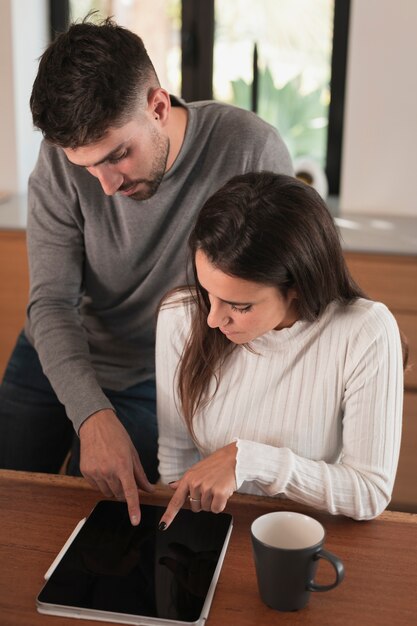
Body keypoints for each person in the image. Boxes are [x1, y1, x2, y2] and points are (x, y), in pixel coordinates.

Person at [0, 18, 293, 525]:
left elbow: (301, 267)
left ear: (158, 106)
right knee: (12, 509)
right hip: (55, 354)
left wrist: (359, 325)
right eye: (87, 166)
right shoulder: (57, 165)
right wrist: (91, 414)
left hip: (157, 373)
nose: (106, 186)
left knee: (98, 524)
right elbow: (51, 303)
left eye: (118, 156)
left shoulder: (249, 150)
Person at [156, 172, 405, 528]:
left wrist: (250, 459)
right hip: (217, 530)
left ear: (298, 287)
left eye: (239, 306)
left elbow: (369, 493)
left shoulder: (365, 331)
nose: (212, 319)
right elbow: (175, 459)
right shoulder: (180, 317)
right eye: (207, 292)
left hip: (309, 536)